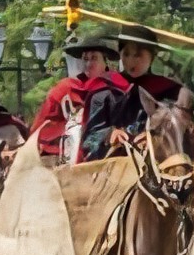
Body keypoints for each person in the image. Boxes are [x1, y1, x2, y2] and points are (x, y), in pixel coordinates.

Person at [79, 23, 187, 162]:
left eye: (138, 55)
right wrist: (109, 134)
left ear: (152, 57)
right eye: (126, 54)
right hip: (114, 166)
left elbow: (182, 131)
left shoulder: (170, 92)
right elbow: (88, 140)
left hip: (161, 163)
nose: (131, 61)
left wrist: (156, 139)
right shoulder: (104, 92)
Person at [31, 32, 117, 160]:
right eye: (85, 59)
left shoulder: (118, 90)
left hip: (109, 157)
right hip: (67, 157)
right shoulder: (65, 89)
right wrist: (70, 127)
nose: (88, 64)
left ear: (106, 63)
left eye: (94, 58)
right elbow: (40, 130)